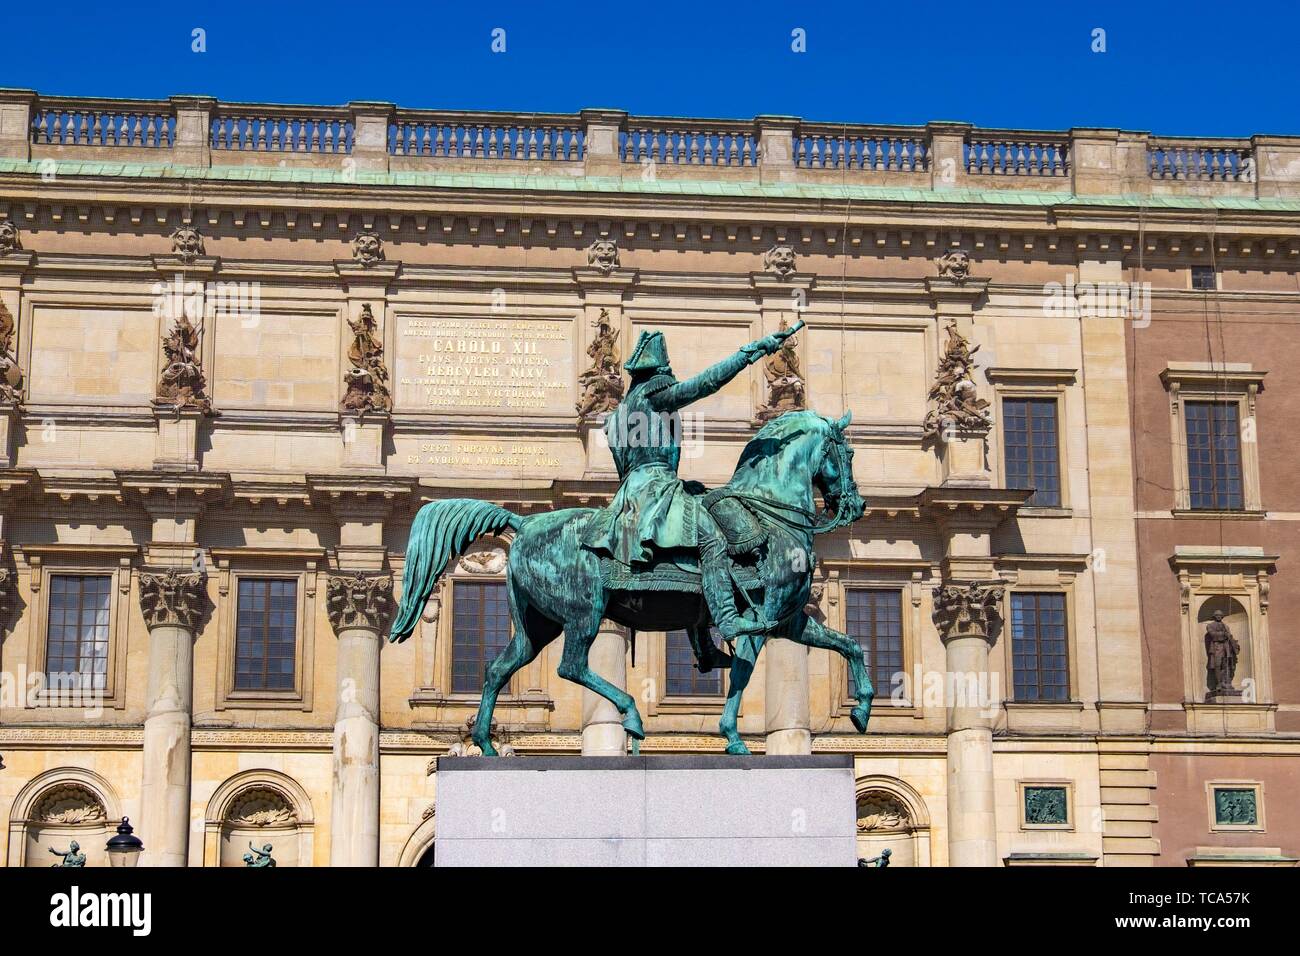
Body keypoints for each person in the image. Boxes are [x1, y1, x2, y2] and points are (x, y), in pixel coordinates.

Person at [580, 321, 802, 639]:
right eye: (666, 369)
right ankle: (727, 618)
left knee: (698, 526)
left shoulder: (620, 412)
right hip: (656, 490)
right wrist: (751, 352)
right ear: (657, 371)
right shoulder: (655, 396)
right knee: (712, 541)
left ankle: (702, 642)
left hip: (633, 491)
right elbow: (706, 383)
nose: (670, 375)